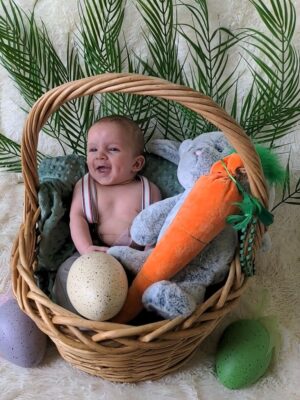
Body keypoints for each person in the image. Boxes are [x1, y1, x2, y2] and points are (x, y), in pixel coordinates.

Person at [53, 115, 161, 310]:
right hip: (94, 257)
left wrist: (148, 257)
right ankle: (78, 322)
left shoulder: (148, 190)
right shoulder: (85, 186)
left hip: (134, 262)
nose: (100, 155)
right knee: (66, 271)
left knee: (152, 285)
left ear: (136, 164)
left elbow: (157, 225)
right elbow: (76, 217)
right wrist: (85, 249)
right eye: (93, 149)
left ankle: (133, 323)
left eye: (112, 149)